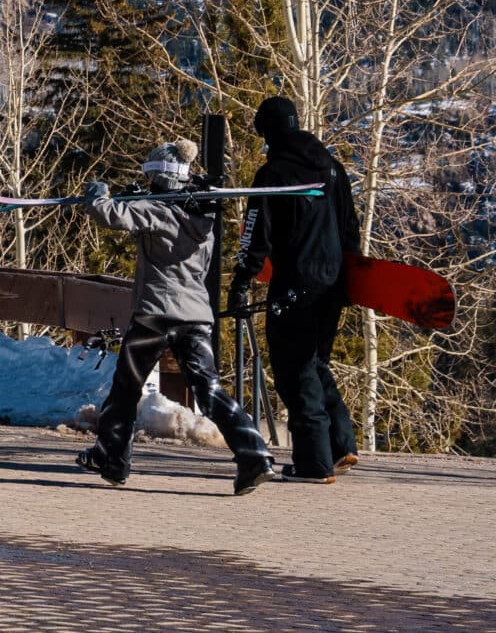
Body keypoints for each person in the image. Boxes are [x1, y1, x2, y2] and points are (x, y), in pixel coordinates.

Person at [77, 139, 274, 495]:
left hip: (154, 314)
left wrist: (98, 193)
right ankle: (254, 455)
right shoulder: (204, 216)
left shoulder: (157, 209)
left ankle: (112, 458)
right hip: (195, 316)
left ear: (158, 178)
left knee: (125, 389)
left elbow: (110, 215)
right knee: (209, 389)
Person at [230, 95, 361, 483]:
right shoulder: (333, 169)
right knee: (316, 363)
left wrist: (240, 282)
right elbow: (349, 227)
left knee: (294, 370)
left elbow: (255, 237)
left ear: (266, 131)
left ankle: (314, 464)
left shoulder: (272, 175)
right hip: (334, 282)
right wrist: (351, 282)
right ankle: (340, 445)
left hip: (296, 283)